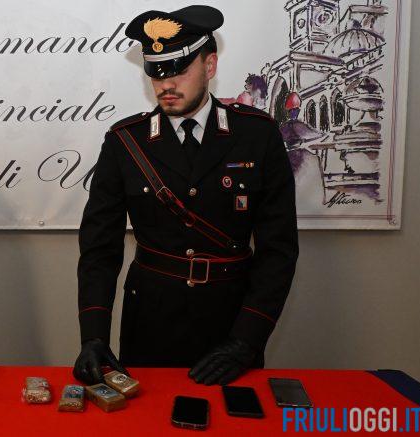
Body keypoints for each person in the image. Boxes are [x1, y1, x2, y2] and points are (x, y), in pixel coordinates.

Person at [73, 6, 298, 386]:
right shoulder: (125, 143)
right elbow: (99, 249)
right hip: (150, 321)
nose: (166, 85)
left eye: (178, 71)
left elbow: (278, 250)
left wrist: (246, 340)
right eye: (157, 73)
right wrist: (93, 336)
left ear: (210, 65)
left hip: (231, 318)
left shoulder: (256, 136)